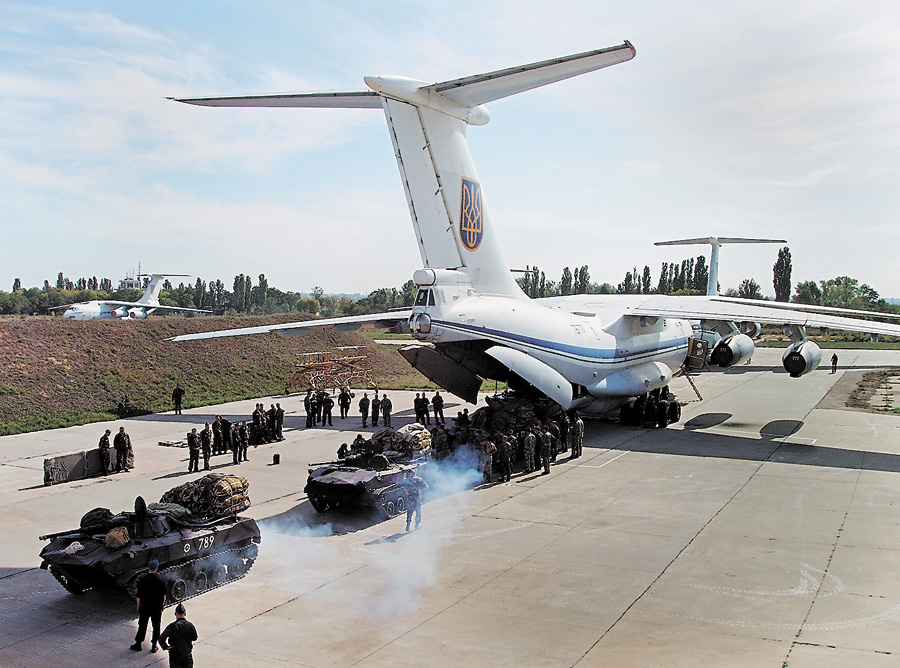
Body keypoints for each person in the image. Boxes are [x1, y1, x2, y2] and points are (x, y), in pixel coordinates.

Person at [130, 559, 166, 653]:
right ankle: (154, 645)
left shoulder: (143, 579)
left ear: (148, 568)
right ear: (157, 568)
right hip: (156, 607)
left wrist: (138, 607)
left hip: (145, 606)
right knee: (156, 626)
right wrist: (162, 605)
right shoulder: (160, 580)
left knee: (142, 625)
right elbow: (164, 595)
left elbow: (139, 596)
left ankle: (138, 644)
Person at [159, 602, 198, 668]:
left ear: (175, 614)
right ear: (185, 613)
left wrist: (166, 647)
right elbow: (194, 638)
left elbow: (161, 638)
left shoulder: (171, 626)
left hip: (175, 655)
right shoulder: (190, 625)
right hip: (186, 654)